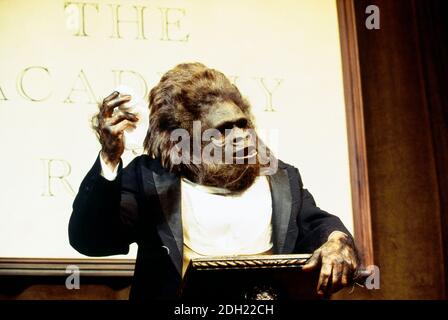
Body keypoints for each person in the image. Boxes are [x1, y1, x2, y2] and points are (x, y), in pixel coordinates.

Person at [69, 62, 359, 300]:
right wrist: (109, 157)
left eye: (243, 123)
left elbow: (317, 223)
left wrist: (338, 242)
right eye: (224, 129)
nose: (242, 135)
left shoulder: (280, 177)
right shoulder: (151, 178)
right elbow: (93, 239)